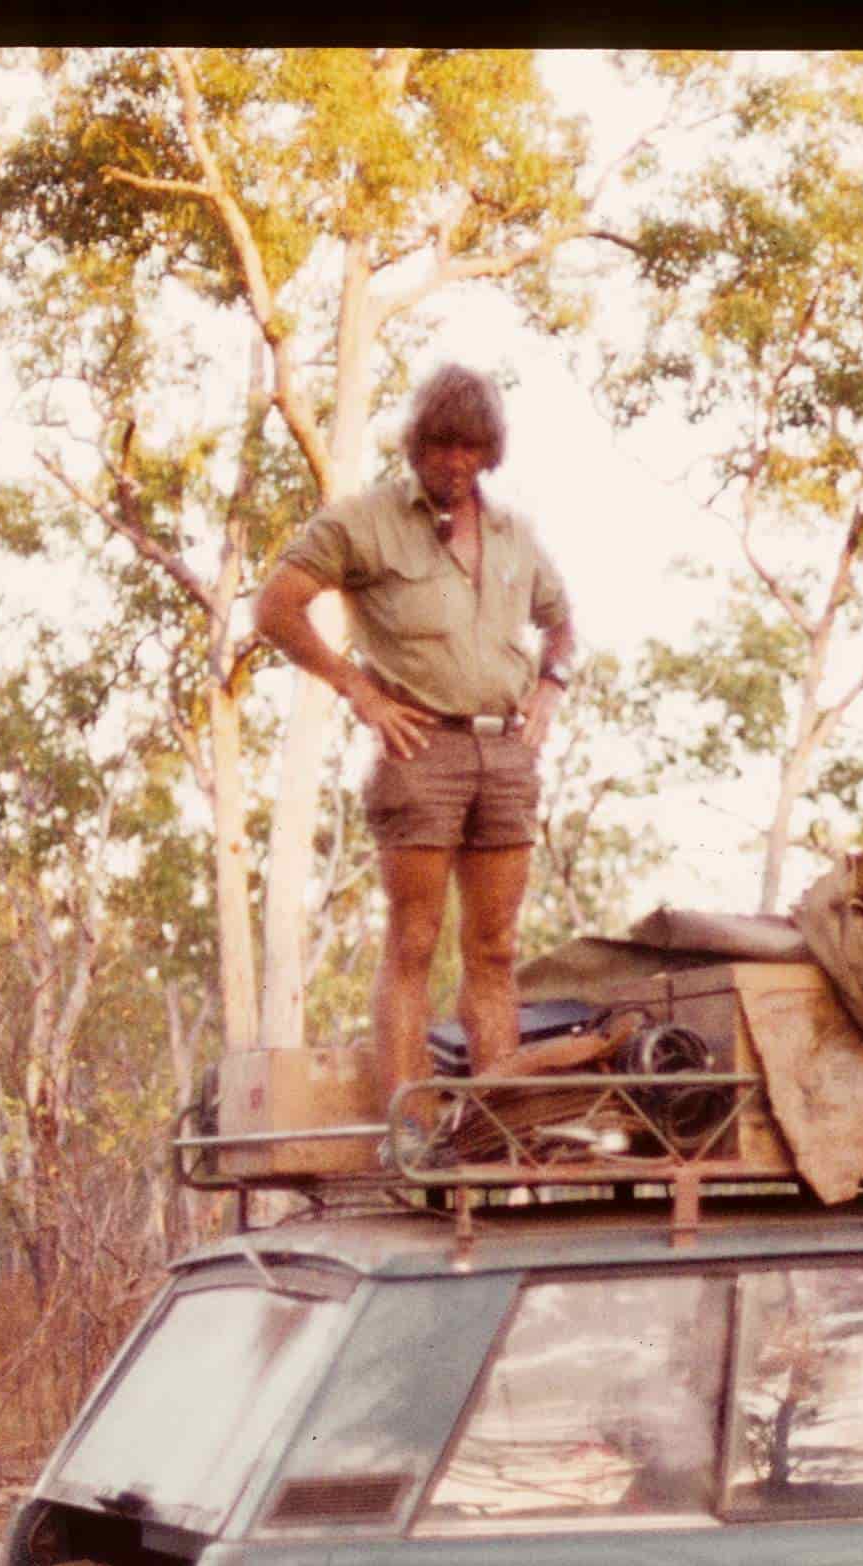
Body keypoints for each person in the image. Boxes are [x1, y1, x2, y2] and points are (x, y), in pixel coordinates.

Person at [253, 364, 578, 1119]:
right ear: (416, 444)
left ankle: (499, 1133)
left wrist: (552, 685)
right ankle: (413, 1133)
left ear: (489, 451)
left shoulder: (512, 534)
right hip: (419, 749)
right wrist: (358, 690)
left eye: (470, 448)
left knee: (495, 949)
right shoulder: (361, 523)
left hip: (504, 754)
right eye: (440, 445)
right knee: (414, 942)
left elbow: (561, 621)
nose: (454, 462)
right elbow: (276, 608)